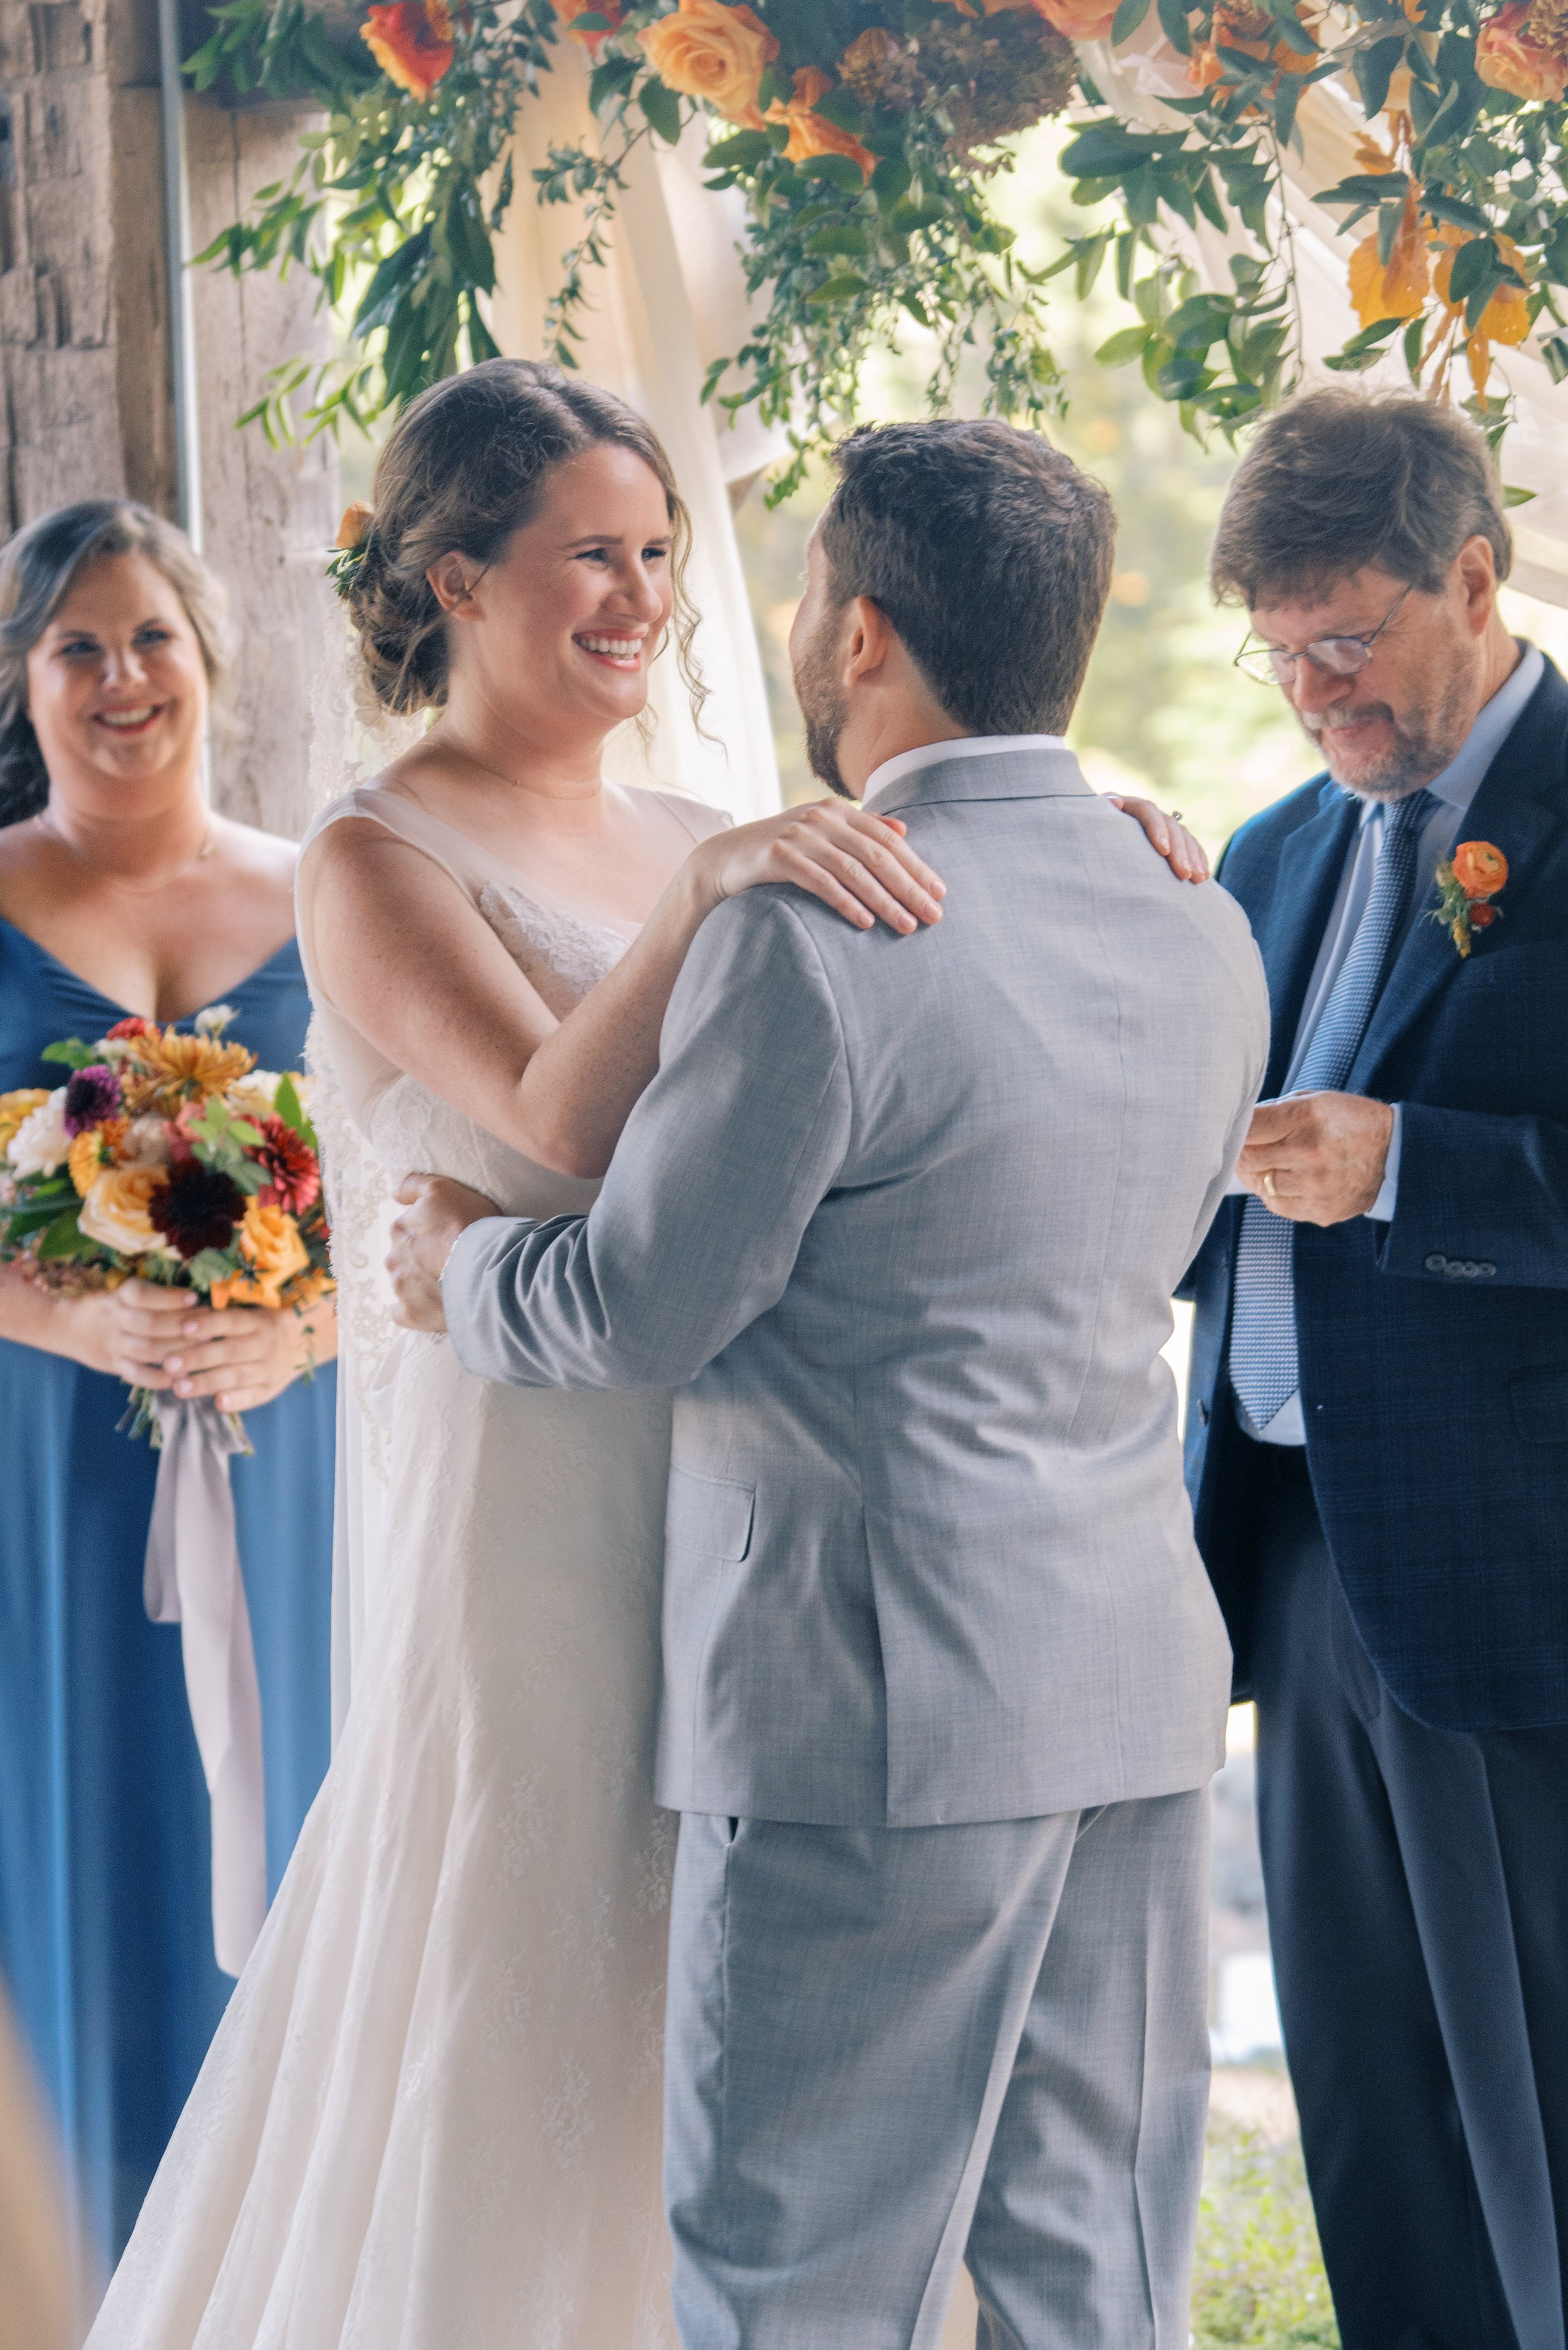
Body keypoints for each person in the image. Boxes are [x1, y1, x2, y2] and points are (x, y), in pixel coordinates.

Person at [87, 361, 1207, 2350]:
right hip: (529, 1511)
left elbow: (924, 1009)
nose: (642, 596)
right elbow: (559, 1126)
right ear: (452, 576)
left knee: (760, 2043)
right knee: (546, 1966)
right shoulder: (374, 855)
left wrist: (1088, 822)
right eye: (589, 555)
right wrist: (706, 889)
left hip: (746, 1514)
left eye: (662, 554)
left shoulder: (735, 824)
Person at [389, 416, 1269, 2348]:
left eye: (795, 593)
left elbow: (633, 1308)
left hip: (871, 1706)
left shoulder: (816, 926)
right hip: (1126, 1683)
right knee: (1090, 2275)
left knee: (798, 2282)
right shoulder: (1196, 908)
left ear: (860, 634)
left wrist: (454, 1266)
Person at [1180, 388, 1568, 2350]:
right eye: (1280, 655)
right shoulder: (1263, 850)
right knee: (1367, 2105)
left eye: (1347, 641)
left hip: (1514, 1565)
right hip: (1290, 1557)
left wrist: (1412, 1165)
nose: (1314, 692)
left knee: (1539, 2119)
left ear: (1474, 577)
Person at [0, 500, 338, 2267]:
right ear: (25, 678)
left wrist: (306, 1323)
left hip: (292, 1450)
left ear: (214, 661)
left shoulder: (325, 891)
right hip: (42, 1460)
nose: (122, 679)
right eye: (78, 645)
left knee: (295, 1822)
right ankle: (75, 2266)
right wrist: (60, 1319)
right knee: (69, 1831)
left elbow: (429, 1192)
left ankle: (271, 2273)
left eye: (152, 640)